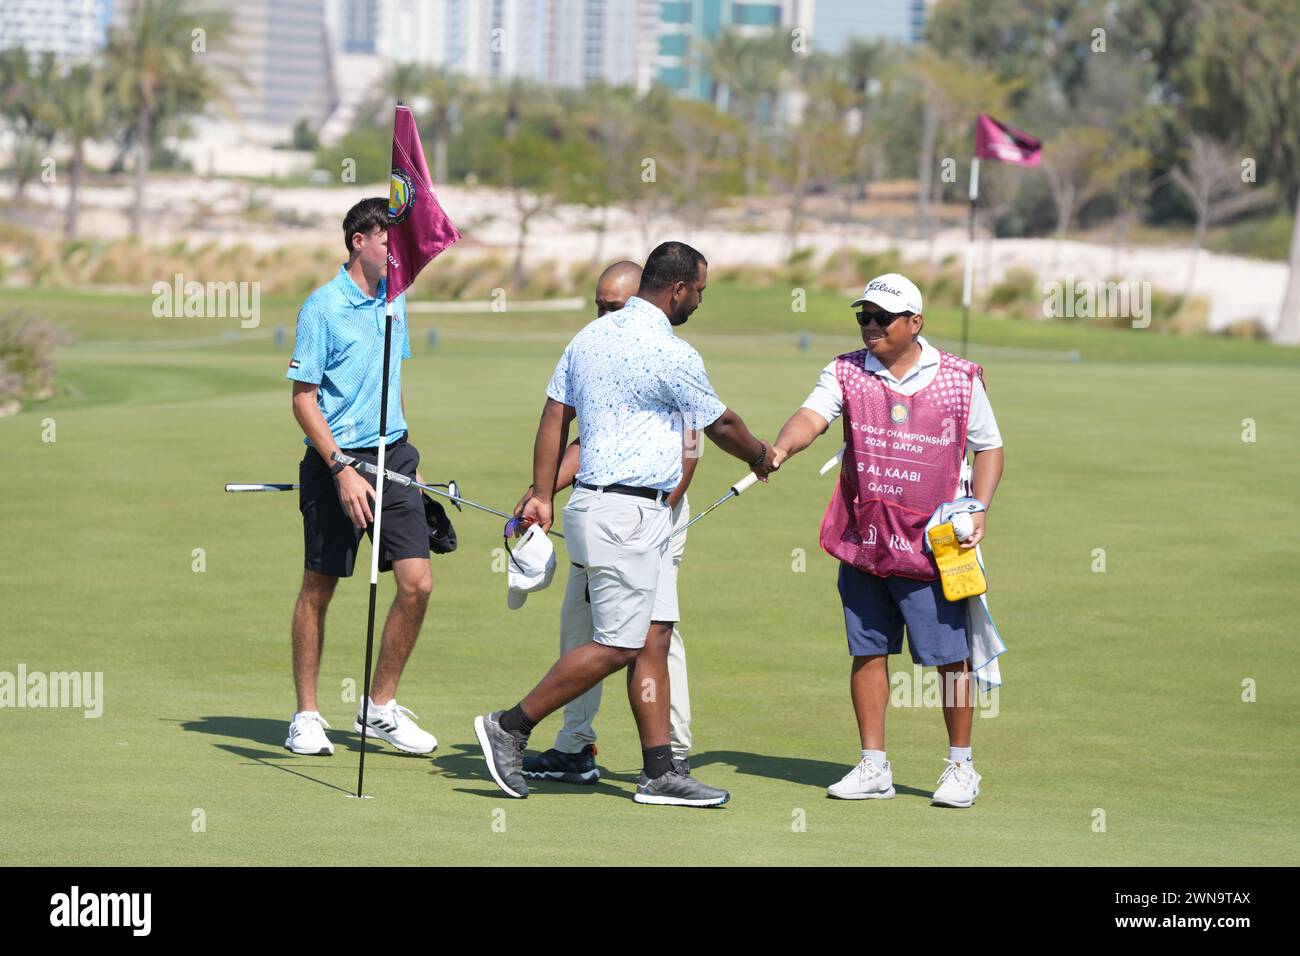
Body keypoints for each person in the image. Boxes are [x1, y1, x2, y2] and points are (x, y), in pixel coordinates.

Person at [475, 241, 777, 805]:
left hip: (624, 510)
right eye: (700, 292)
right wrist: (760, 455)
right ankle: (509, 727)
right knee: (618, 644)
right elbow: (722, 424)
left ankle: (660, 771)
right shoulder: (672, 351)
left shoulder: (588, 338)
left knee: (654, 637)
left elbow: (553, 419)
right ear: (678, 289)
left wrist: (543, 494)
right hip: (626, 514)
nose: (700, 303)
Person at [770, 273, 1003, 808]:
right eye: (863, 317)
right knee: (868, 651)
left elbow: (989, 447)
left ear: (914, 323)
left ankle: (961, 767)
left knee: (950, 659)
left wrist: (979, 507)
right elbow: (812, 416)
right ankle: (873, 765)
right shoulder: (846, 370)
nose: (870, 326)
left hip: (935, 544)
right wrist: (781, 448)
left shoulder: (959, 379)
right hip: (866, 537)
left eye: (882, 317)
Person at [514, 261, 700, 785]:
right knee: (583, 626)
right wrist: (541, 491)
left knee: (655, 634)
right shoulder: (594, 347)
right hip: (605, 513)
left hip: (651, 513)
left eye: (613, 306)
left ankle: (673, 754)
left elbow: (693, 445)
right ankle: (575, 746)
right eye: (599, 305)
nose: (605, 315)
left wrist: (661, 511)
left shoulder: (664, 354)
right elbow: (582, 438)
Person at [282, 197, 437, 758]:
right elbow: (303, 401)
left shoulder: (396, 303)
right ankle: (306, 716)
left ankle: (379, 708)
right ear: (357, 241)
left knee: (416, 583)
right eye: (387, 242)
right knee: (320, 588)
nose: (397, 253)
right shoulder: (322, 307)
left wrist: (409, 465)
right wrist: (341, 468)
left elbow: (392, 386)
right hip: (335, 462)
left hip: (392, 456)